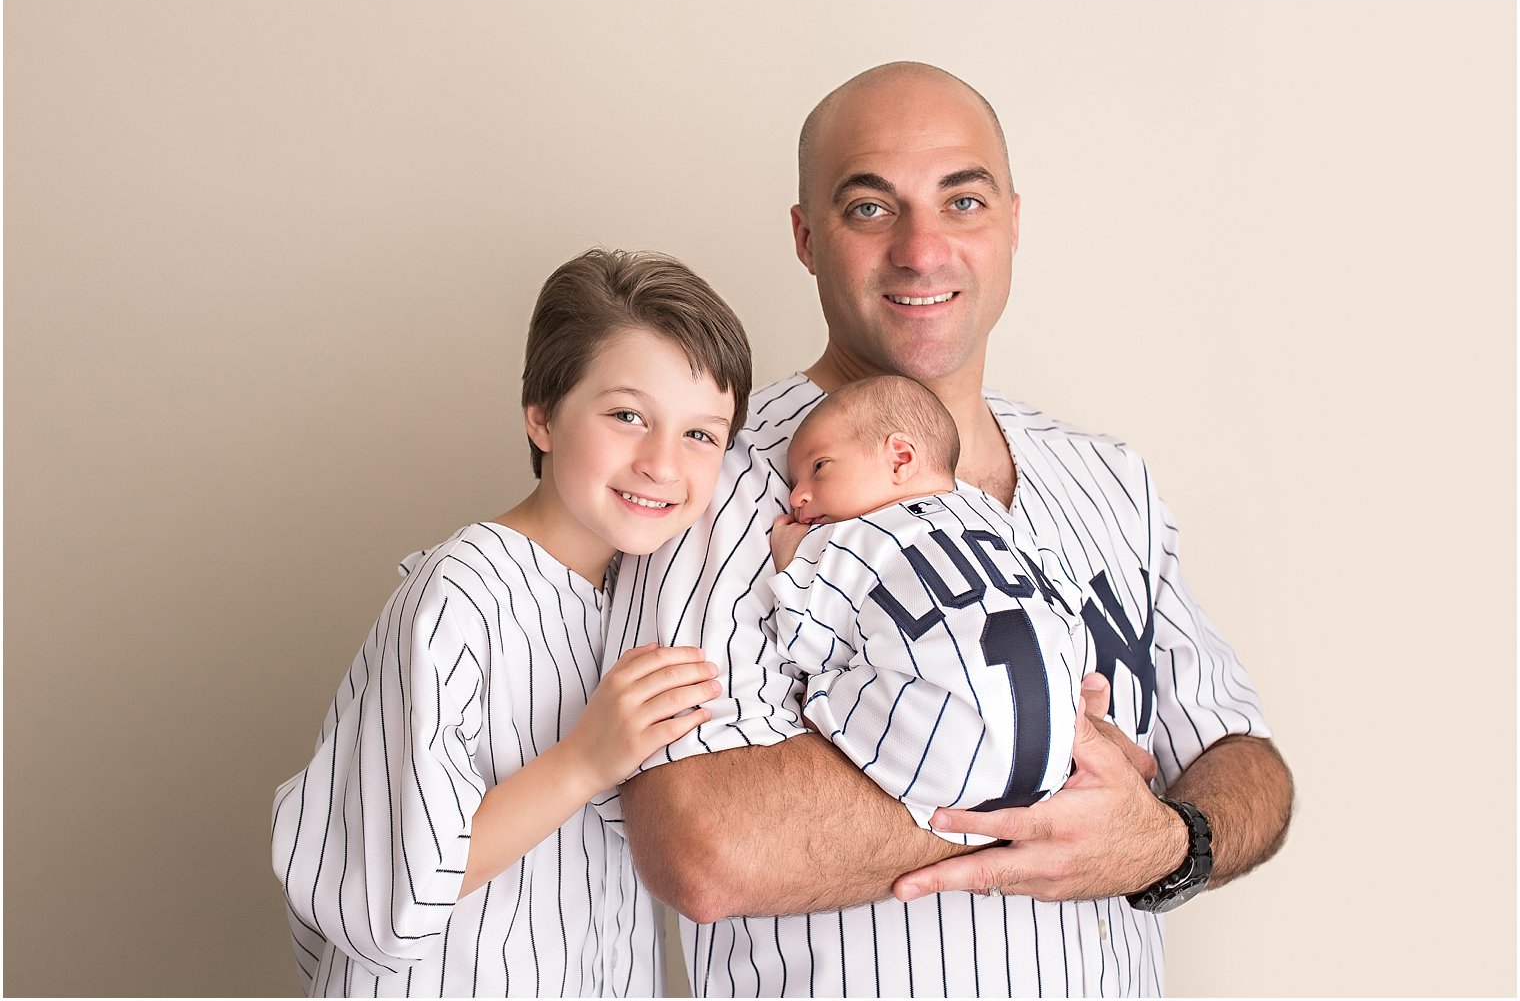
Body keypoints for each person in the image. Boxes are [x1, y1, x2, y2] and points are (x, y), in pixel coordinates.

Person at [603, 62, 1294, 997]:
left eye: (962, 201)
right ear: (807, 238)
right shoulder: (713, 479)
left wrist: (1168, 841)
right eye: (870, 209)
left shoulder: (1108, 479)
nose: (922, 251)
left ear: (1012, 221)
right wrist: (1050, 781)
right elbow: (704, 845)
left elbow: (1244, 762)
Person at [270, 248, 752, 997]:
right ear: (543, 415)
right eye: (628, 415)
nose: (663, 463)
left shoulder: (654, 598)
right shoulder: (461, 592)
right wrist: (584, 762)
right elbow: (389, 899)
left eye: (701, 434)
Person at [767, 374, 1086, 844]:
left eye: (819, 468)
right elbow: (1066, 598)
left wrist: (792, 563)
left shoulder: (852, 540)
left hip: (945, 765)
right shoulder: (994, 519)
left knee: (821, 687)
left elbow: (808, 644)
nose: (798, 497)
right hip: (1050, 764)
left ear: (900, 458)